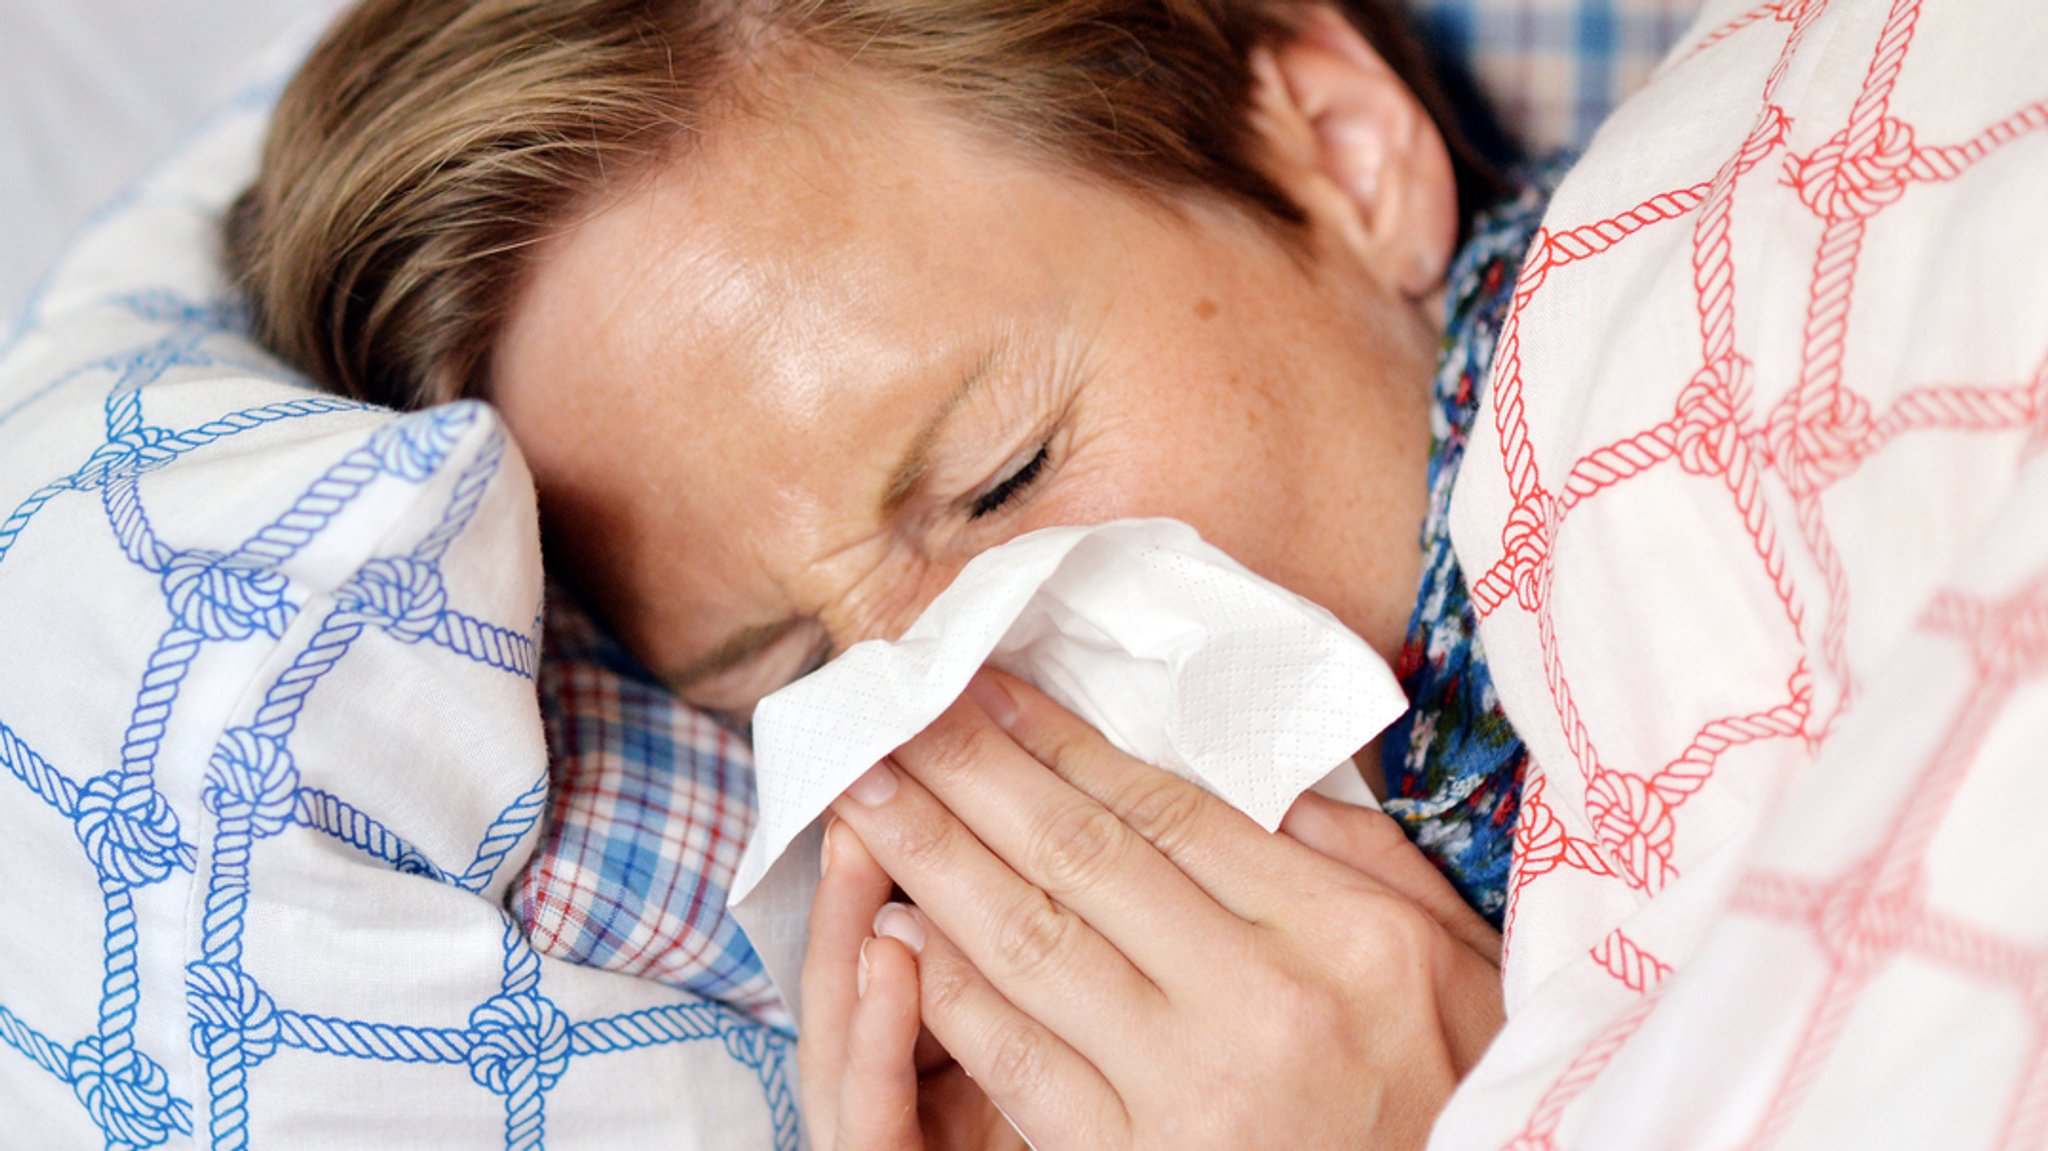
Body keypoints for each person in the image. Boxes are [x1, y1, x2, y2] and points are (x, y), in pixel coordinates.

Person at [226, 0, 1538, 1145]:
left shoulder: (1696, 422)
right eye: (795, 678)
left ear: (1338, 151)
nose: (941, 706)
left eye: (1002, 480)